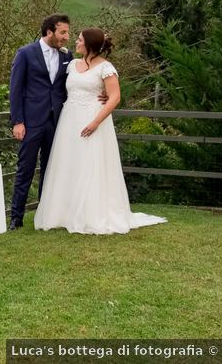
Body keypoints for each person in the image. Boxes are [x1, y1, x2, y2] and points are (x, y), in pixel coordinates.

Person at [34, 28, 166, 234]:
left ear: (90, 45)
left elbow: (114, 97)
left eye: (79, 40)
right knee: (69, 163)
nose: (75, 42)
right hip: (69, 120)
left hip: (93, 119)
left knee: (91, 163)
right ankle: (63, 213)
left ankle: (91, 214)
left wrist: (95, 122)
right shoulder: (71, 65)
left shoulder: (106, 68)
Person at [7, 14, 73, 230]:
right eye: (63, 32)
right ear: (49, 32)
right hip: (31, 121)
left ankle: (45, 215)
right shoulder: (25, 53)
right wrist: (17, 121)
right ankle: (16, 217)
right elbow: (15, 89)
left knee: (51, 169)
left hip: (56, 121)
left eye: (68, 33)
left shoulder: (67, 56)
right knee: (25, 169)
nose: (66, 37)